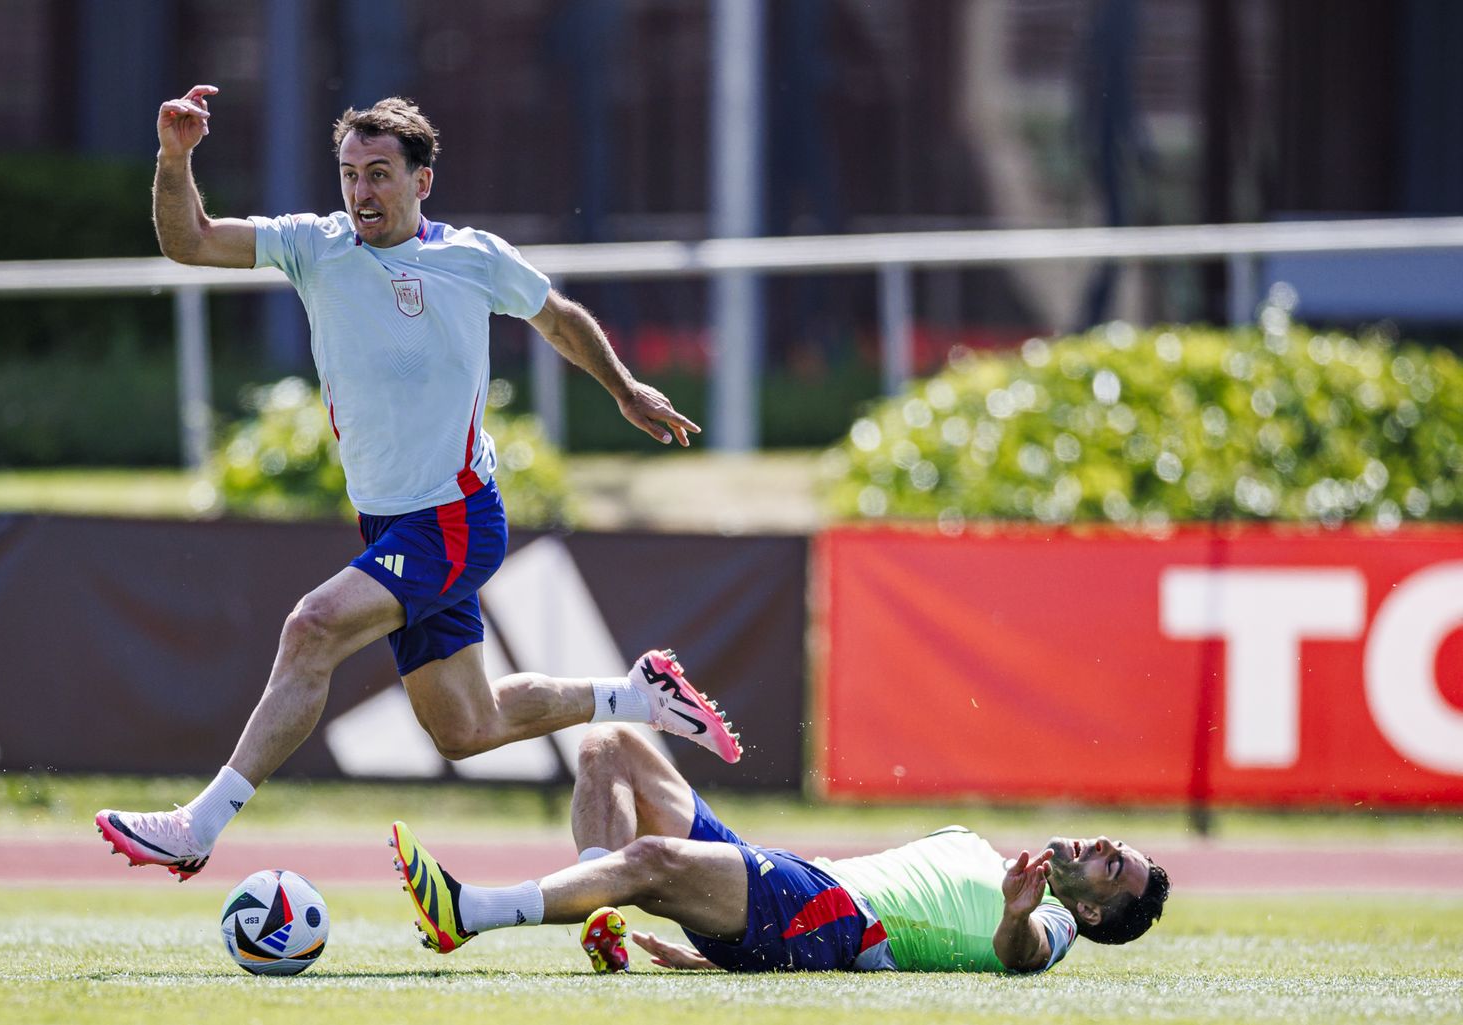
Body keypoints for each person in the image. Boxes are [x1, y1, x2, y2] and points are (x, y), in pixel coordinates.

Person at [96, 86, 742, 880]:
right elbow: (188, 242)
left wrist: (623, 388)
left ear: (421, 181)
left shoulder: (472, 258)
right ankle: (638, 697)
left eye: (378, 173)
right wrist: (174, 157)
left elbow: (561, 319)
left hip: (457, 518)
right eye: (349, 174)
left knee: (312, 627)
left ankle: (199, 823)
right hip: (388, 525)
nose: (361, 192)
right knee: (467, 727)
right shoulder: (314, 246)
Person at [390, 724, 1170, 974]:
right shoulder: (978, 843)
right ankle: (604, 921)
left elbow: (1021, 952)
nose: (1104, 846)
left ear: (1095, 910)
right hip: (796, 885)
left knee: (650, 861)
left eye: (1112, 866)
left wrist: (1016, 915)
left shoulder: (1056, 926)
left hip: (832, 920)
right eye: (1117, 846)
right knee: (609, 745)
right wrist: (715, 955)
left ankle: (471, 911)